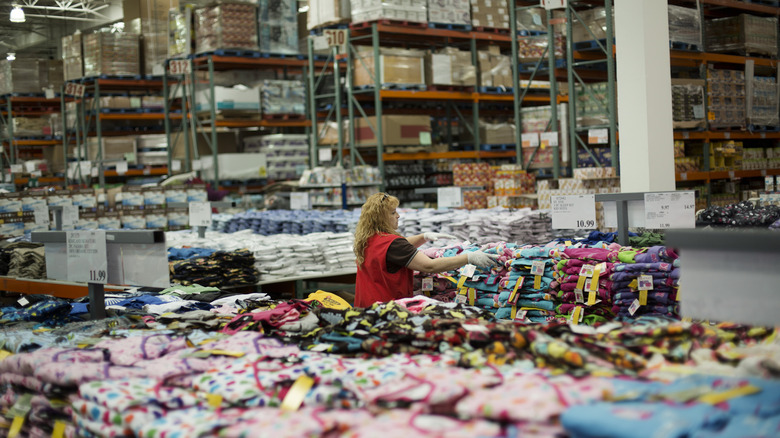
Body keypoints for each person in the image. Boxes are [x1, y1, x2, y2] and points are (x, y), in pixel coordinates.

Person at [353, 192, 500, 308]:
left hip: (365, 307)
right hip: (387, 311)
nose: (398, 215)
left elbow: (395, 248)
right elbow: (429, 265)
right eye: (392, 213)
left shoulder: (369, 238)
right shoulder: (393, 245)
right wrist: (468, 258)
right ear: (380, 218)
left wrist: (423, 237)